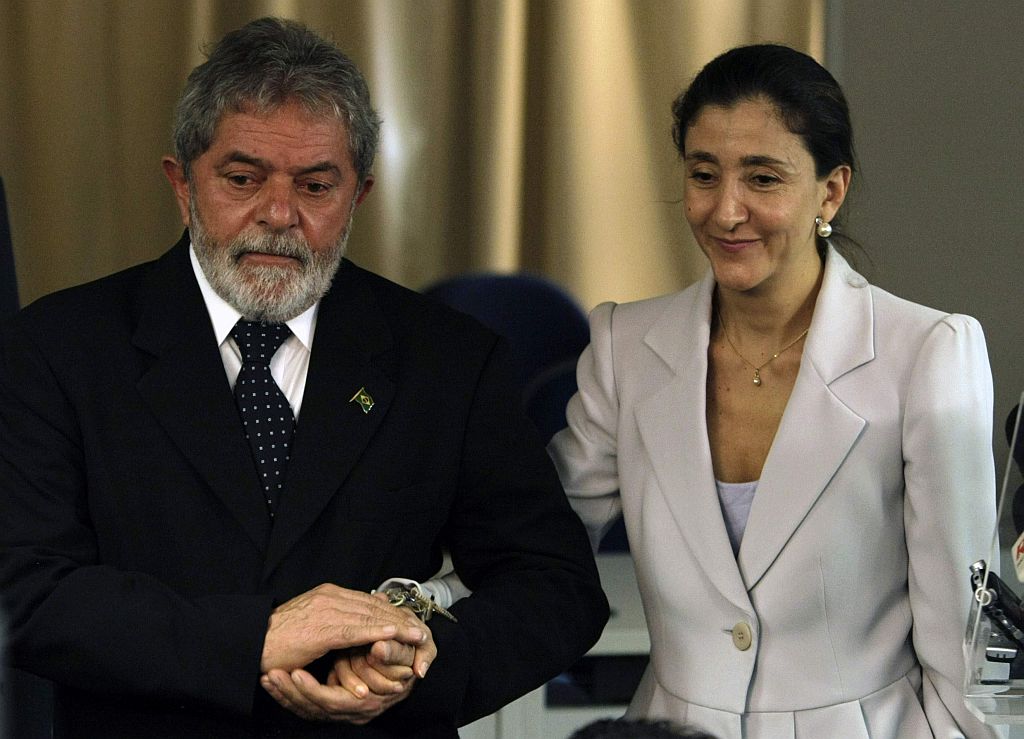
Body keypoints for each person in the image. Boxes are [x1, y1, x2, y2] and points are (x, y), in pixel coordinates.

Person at [0, 17, 608, 738]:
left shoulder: (447, 358)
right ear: (182, 184)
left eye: (316, 185)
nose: (280, 214)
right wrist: (253, 639)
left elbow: (556, 584)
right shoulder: (59, 348)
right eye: (242, 179)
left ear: (359, 195)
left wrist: (414, 665)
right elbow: (25, 588)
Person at [548, 44, 999, 738]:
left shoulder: (926, 354)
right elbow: (535, 538)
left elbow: (965, 648)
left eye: (763, 178)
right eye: (704, 175)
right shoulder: (624, 347)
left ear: (831, 191)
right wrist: (416, 605)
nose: (727, 211)